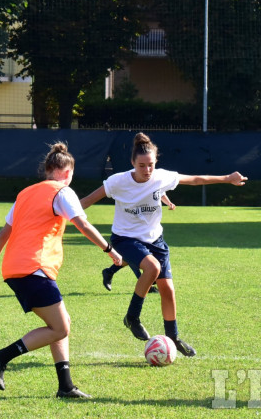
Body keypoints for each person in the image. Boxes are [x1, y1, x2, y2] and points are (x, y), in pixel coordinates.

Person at [80, 132, 248, 357]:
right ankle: (132, 317)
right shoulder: (117, 181)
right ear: (132, 163)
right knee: (152, 268)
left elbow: (195, 179)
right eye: (142, 166)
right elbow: (86, 202)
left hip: (155, 240)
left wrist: (228, 177)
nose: (147, 170)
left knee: (168, 290)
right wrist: (57, 214)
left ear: (155, 162)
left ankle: (173, 337)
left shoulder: (162, 177)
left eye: (150, 165)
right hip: (125, 239)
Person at [0, 142, 122, 398]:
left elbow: (5, 232)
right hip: (34, 268)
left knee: (61, 322)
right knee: (60, 328)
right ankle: (0, 357)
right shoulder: (63, 192)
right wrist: (109, 250)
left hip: (15, 268)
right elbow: (82, 224)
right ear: (68, 172)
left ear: (47, 169)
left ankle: (65, 386)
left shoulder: (26, 193)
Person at [101, 192, 176, 293]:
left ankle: (109, 272)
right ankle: (147, 285)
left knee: (133, 258)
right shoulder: (131, 185)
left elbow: (160, 192)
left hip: (145, 231)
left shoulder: (155, 182)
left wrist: (169, 203)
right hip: (129, 232)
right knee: (138, 258)